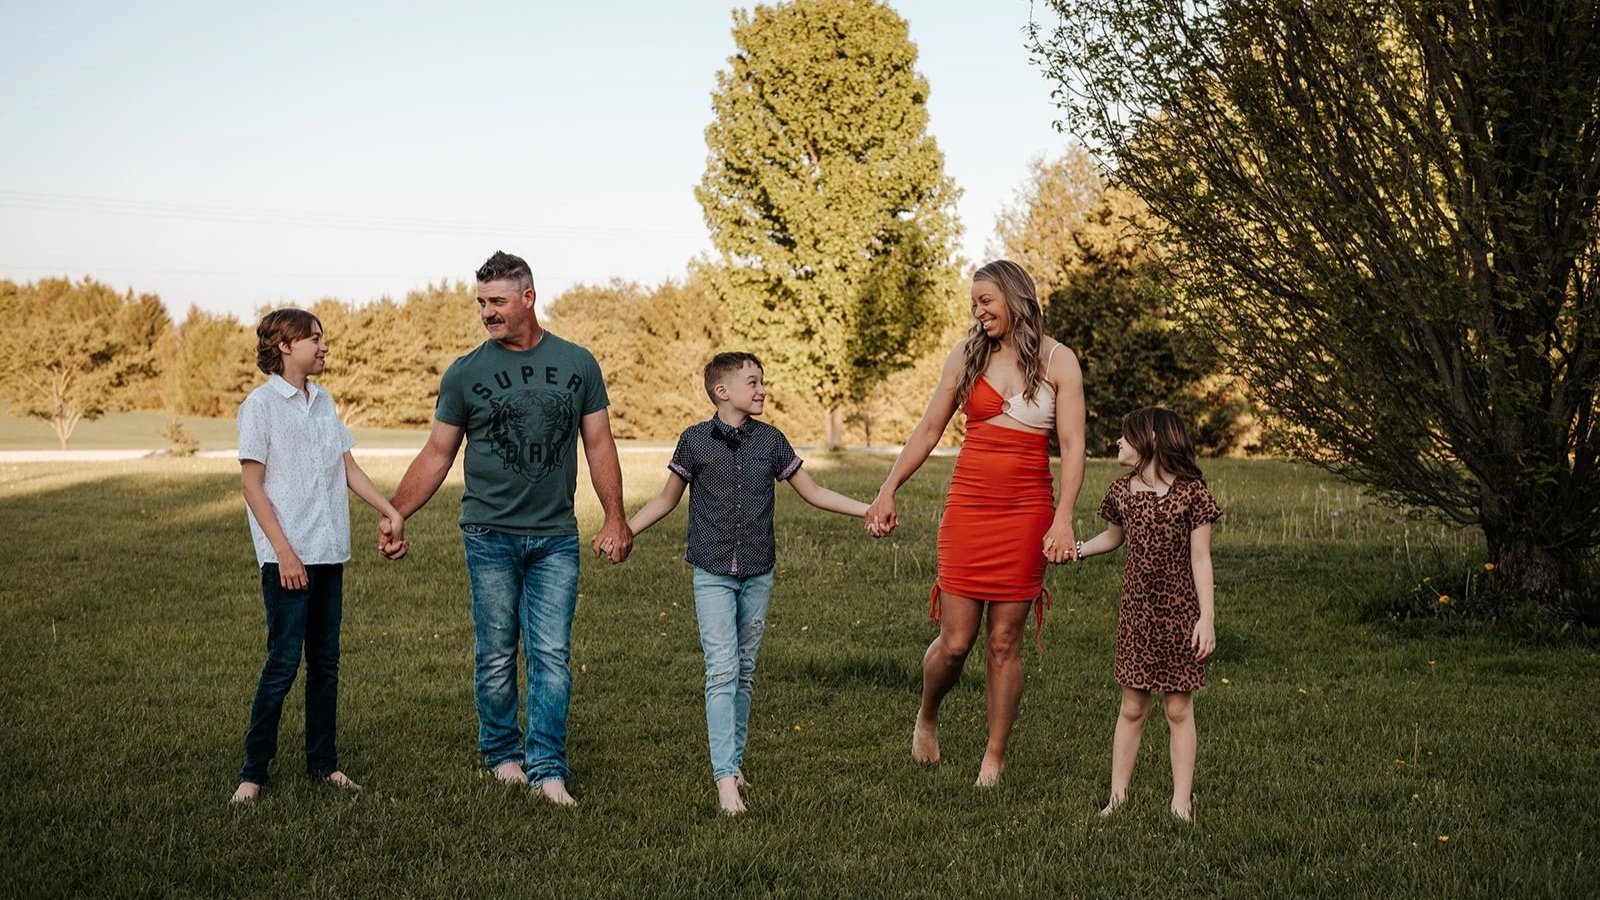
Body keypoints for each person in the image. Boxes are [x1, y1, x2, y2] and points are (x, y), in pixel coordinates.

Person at [379, 250, 631, 807]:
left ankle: (548, 767)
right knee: (495, 653)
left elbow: (599, 444)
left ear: (528, 298)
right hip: (488, 533)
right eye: (481, 303)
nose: (487, 313)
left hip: (556, 537)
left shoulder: (578, 363)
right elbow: (438, 453)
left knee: (551, 654)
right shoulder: (466, 372)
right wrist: (396, 511)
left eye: (496, 302)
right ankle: (501, 755)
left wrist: (615, 515)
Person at [864, 260, 1086, 787]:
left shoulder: (1060, 361)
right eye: (974, 303)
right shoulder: (967, 355)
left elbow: (1074, 448)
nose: (978, 311)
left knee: (1005, 640)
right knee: (957, 641)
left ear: (1014, 298)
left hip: (1027, 511)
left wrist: (1063, 520)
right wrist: (888, 487)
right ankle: (928, 714)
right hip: (970, 507)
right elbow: (929, 428)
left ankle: (994, 756)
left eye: (986, 300)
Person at [626, 352, 870, 815]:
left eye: (763, 381)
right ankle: (724, 781)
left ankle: (734, 765)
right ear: (723, 391)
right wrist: (624, 529)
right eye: (753, 382)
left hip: (758, 572)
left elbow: (814, 492)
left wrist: (868, 509)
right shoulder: (694, 442)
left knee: (743, 672)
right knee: (721, 670)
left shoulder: (772, 441)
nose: (762, 389)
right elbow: (665, 499)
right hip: (712, 572)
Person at [230, 308, 408, 803]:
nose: (324, 347)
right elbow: (252, 484)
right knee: (283, 663)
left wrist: (390, 509)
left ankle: (323, 764)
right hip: (288, 559)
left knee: (325, 663)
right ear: (286, 346)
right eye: (315, 339)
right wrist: (284, 553)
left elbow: (346, 466)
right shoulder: (260, 406)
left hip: (329, 552)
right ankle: (253, 772)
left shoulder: (324, 402)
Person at [1075, 407, 1220, 822]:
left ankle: (1181, 802)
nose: (1118, 442)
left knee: (1178, 710)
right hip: (1137, 616)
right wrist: (1078, 550)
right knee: (1133, 708)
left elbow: (1201, 560)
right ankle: (1118, 797)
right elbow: (1112, 538)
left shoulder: (1193, 494)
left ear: (1151, 440)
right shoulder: (1122, 492)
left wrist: (1206, 618)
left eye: (1126, 436)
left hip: (1180, 619)